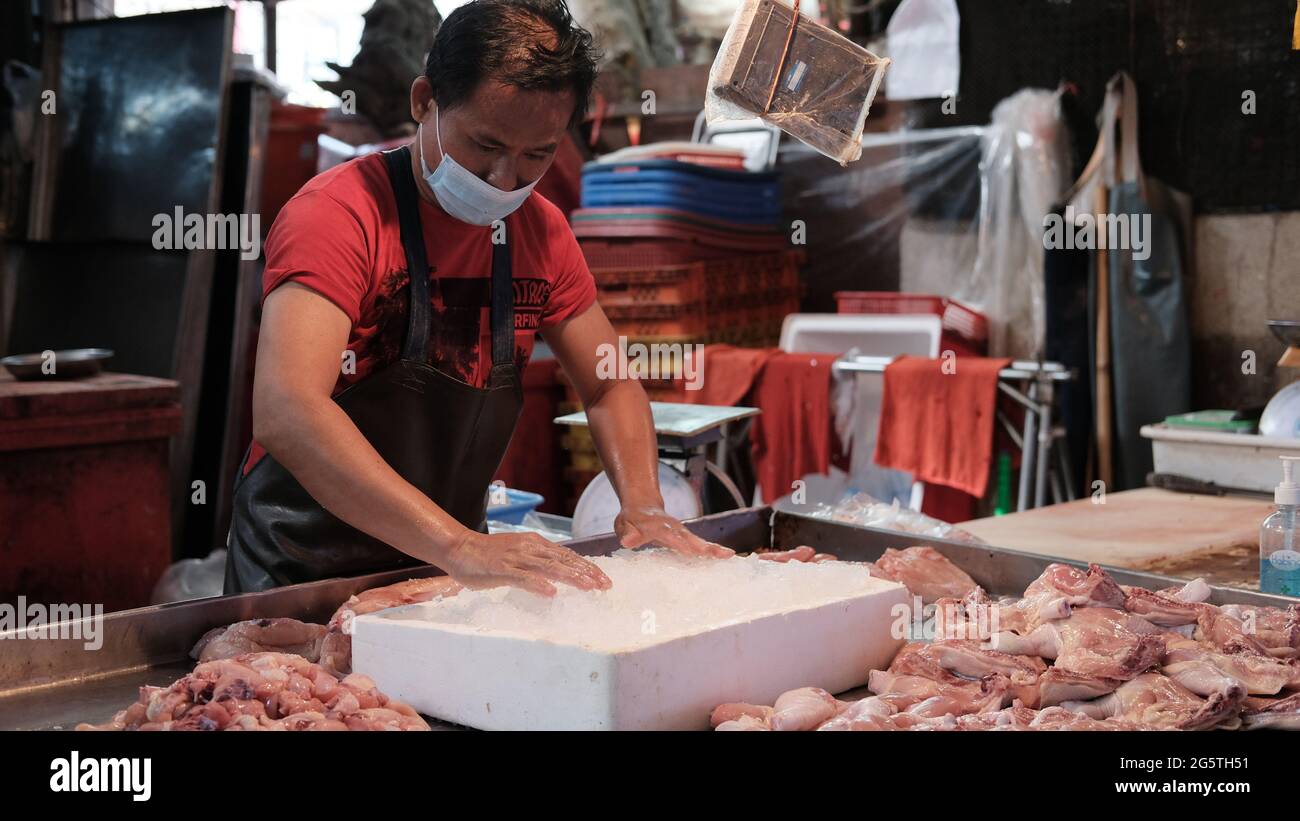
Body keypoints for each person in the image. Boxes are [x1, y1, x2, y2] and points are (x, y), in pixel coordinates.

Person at [224, 0, 732, 595]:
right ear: (424, 102)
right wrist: (457, 544)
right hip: (303, 575)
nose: (503, 178)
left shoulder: (539, 232)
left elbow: (609, 380)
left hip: (449, 580)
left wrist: (644, 505)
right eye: (484, 143)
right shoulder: (337, 216)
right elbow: (289, 410)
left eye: (536, 155)